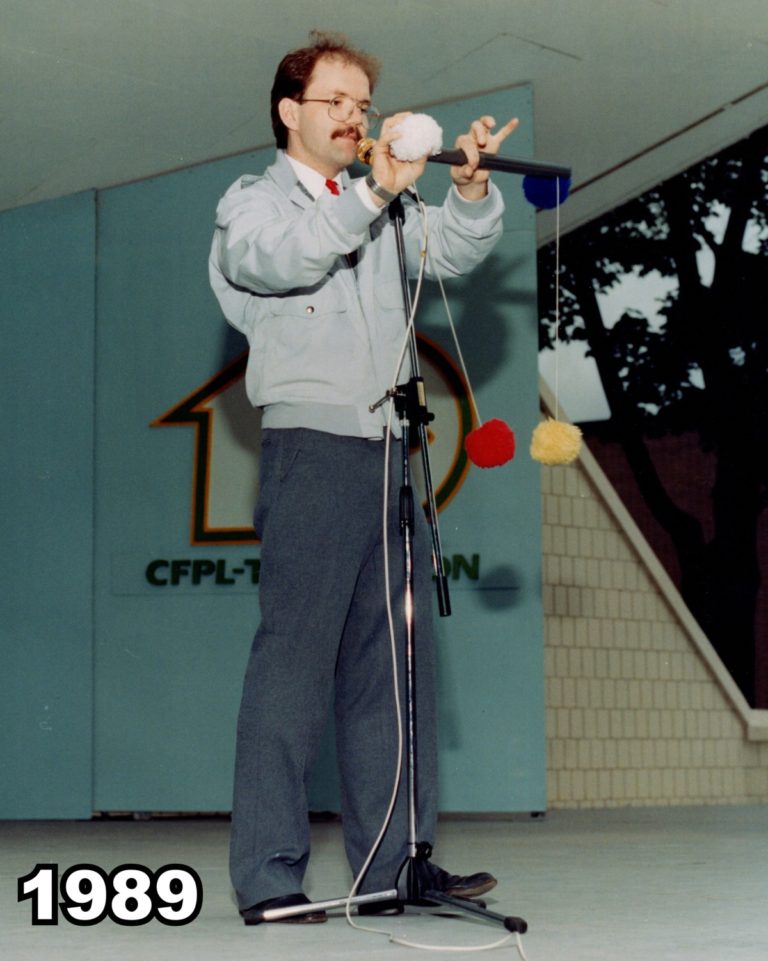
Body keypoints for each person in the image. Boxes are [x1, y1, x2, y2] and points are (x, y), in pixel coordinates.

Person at [209, 31, 518, 925]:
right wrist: (376, 186)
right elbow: (281, 260)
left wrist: (466, 192)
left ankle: (394, 866)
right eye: (335, 102)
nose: (354, 118)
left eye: (362, 106)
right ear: (289, 111)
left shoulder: (380, 205)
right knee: (293, 666)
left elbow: (452, 256)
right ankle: (268, 875)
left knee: (396, 668)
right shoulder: (251, 205)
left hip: (392, 452)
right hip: (312, 449)